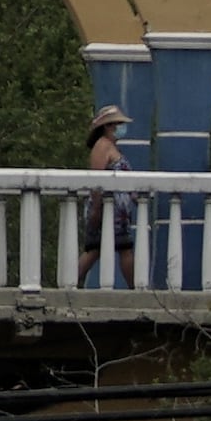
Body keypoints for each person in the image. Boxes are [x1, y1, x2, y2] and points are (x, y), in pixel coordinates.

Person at [75, 103, 132, 287]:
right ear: (107, 126)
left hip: (118, 210)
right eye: (117, 124)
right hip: (106, 208)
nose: (121, 128)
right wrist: (96, 209)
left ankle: (73, 281)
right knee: (98, 248)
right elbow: (97, 180)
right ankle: (72, 281)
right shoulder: (102, 146)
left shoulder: (113, 147)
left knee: (106, 248)